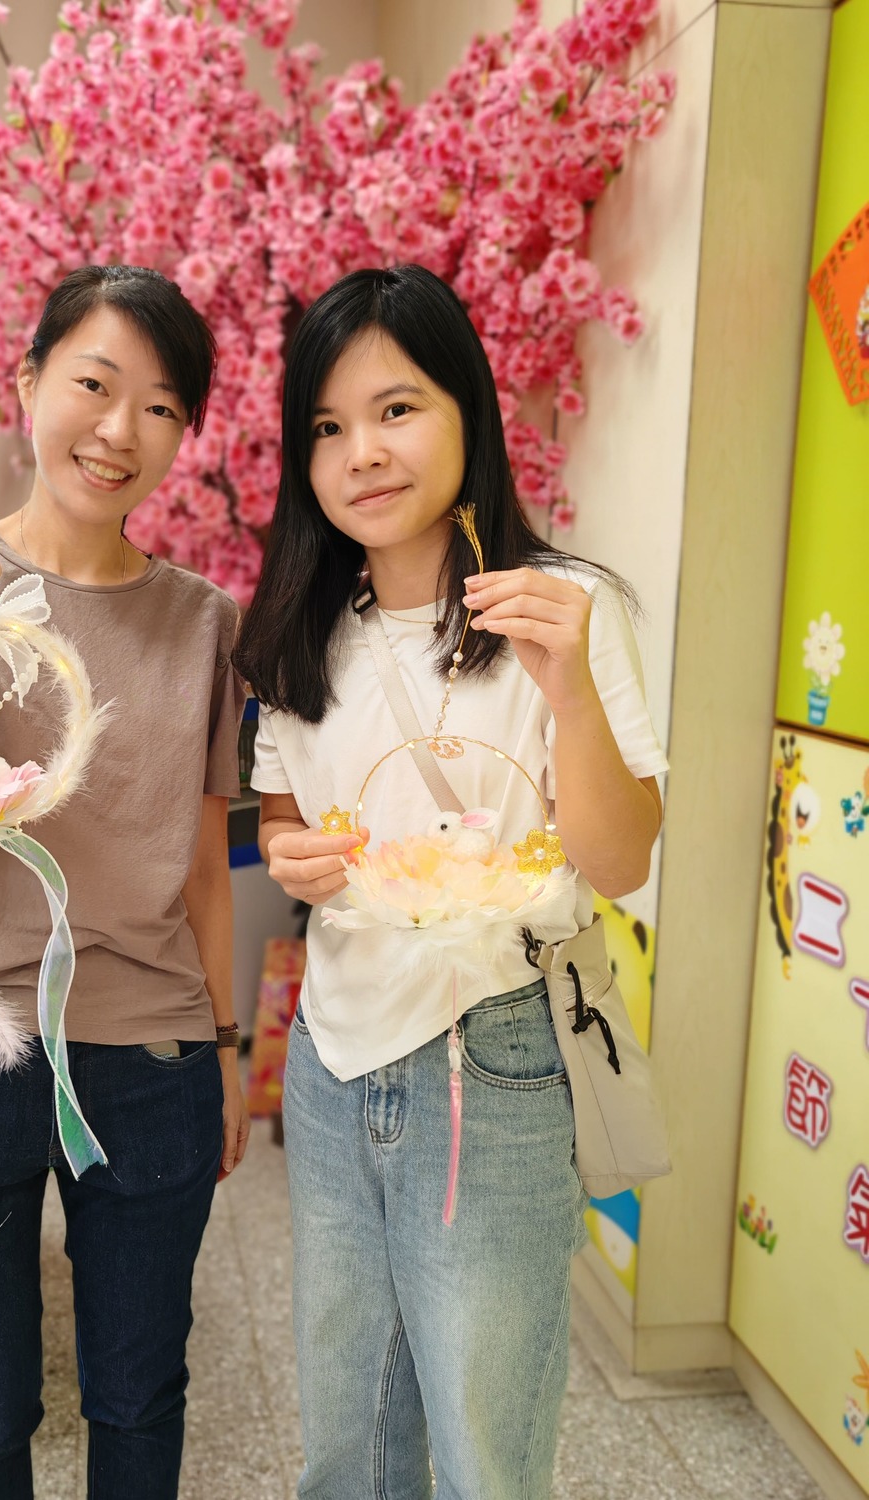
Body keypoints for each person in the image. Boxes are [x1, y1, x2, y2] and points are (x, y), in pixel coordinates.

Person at [234, 264, 668, 1499]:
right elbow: (286, 809)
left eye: (397, 409)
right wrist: (289, 850)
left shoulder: (567, 609)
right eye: (328, 428)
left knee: (484, 1436)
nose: (362, 453)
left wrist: (568, 692)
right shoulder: (299, 629)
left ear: (469, 409)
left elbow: (620, 860)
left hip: (497, 1049)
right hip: (332, 1057)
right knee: (347, 1423)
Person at [0, 264, 251, 1500]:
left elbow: (202, 861)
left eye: (163, 407)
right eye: (94, 384)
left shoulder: (203, 622)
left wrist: (227, 1046)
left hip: (152, 1058)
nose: (121, 430)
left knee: (140, 1396)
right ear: (28, 381)